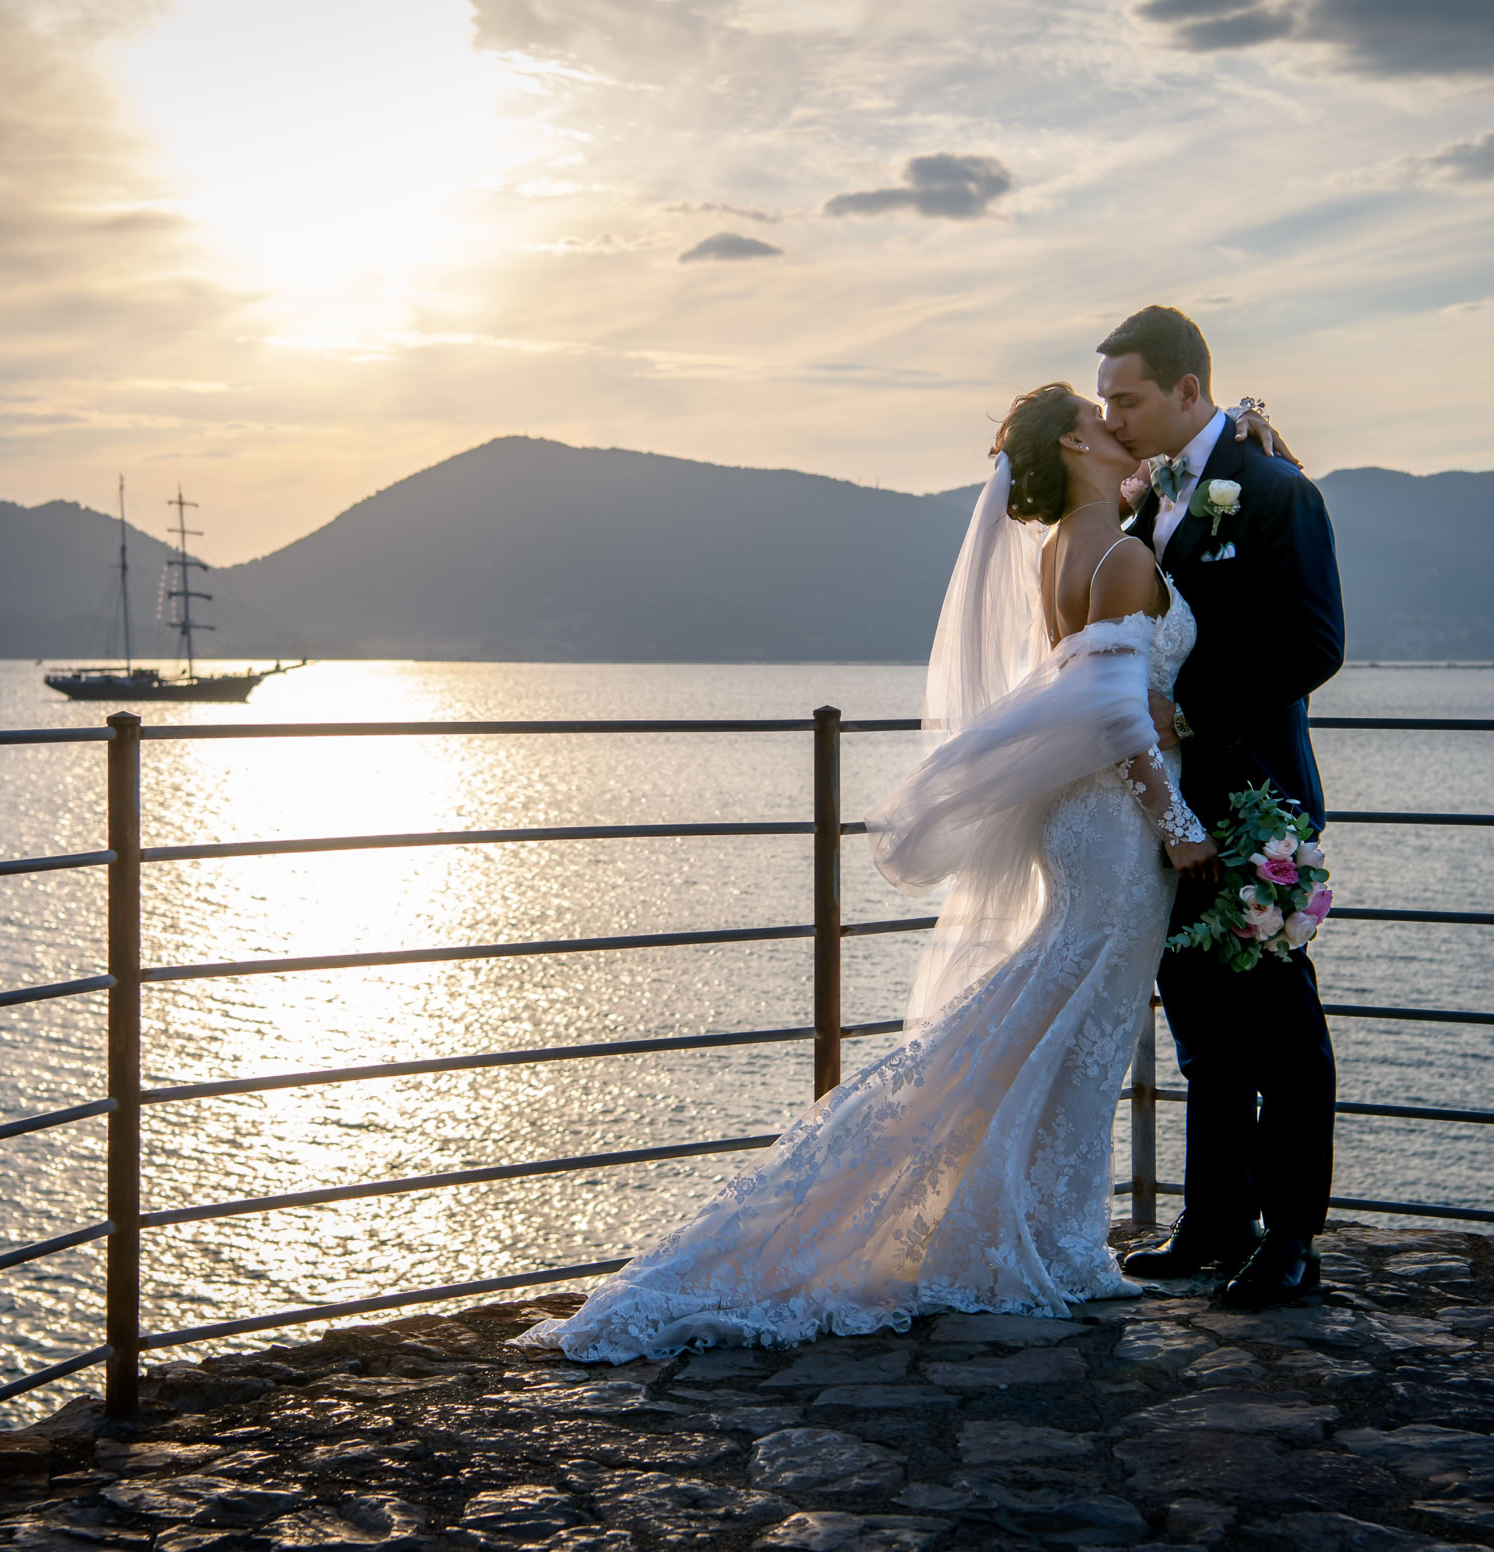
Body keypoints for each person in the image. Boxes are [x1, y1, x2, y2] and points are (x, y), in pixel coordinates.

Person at [509, 382, 1286, 1364]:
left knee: (1058, 1022)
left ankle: (1048, 1231)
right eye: (1102, 414)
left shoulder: (1072, 546)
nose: (1118, 424)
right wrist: (1176, 822)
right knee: (1069, 1022)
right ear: (1075, 442)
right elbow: (1112, 703)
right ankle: (1038, 1238)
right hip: (1122, 823)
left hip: (1093, 818)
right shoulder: (1116, 551)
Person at [1097, 305, 1344, 1308]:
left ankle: (1291, 1237)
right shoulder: (1144, 500)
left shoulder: (1279, 491)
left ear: (1188, 391)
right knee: (1201, 1025)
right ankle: (1212, 1221)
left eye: (1129, 397)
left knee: (1280, 1024)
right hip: (1170, 816)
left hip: (1252, 802)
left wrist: (1186, 709)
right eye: (1105, 400)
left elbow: (1316, 643)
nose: (1113, 415)